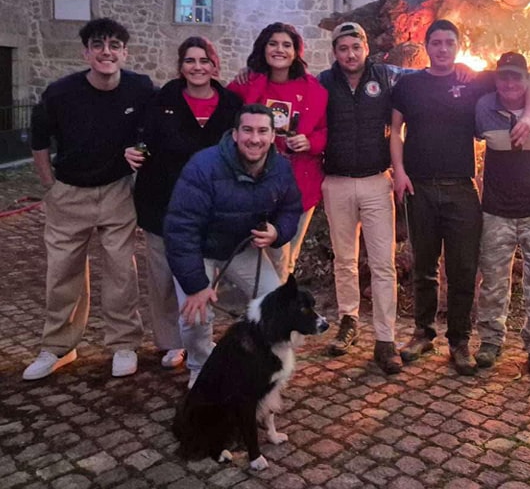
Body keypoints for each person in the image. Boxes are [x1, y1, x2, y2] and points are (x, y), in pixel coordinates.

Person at [391, 19, 530, 376]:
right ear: (426, 46)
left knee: (461, 270)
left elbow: (529, 77)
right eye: (436, 42)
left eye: (449, 43)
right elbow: (395, 130)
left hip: (461, 189)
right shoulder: (409, 85)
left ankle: (459, 341)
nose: (443, 49)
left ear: (458, 46)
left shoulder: (472, 79)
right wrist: (398, 171)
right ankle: (423, 333)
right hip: (419, 187)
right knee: (424, 268)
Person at [23, 18, 154, 381]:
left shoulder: (140, 88)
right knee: (62, 272)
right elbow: (38, 140)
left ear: (125, 52)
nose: (106, 52)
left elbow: (156, 127)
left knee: (120, 270)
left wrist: (141, 151)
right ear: (86, 52)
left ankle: (124, 343)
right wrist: (50, 184)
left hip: (116, 190)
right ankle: (59, 347)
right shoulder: (61, 93)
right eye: (98, 45)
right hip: (69, 193)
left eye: (114, 45)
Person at [164, 104, 303, 388]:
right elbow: (181, 229)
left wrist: (277, 232)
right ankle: (201, 365)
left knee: (275, 302)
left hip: (241, 249)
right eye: (248, 130)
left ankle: (263, 360)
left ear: (273, 134)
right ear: (236, 134)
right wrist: (196, 285)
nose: (255, 138)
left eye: (263, 131)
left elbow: (291, 209)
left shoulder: (281, 168)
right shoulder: (203, 166)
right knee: (195, 316)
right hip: (200, 250)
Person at [124, 37, 241, 371]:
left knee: (202, 279)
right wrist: (132, 150)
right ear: (181, 66)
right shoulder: (162, 101)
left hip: (212, 208)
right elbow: (140, 137)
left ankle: (200, 339)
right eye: (190, 61)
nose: (198, 67)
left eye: (204, 60)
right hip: (163, 202)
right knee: (163, 277)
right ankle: (171, 341)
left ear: (215, 65)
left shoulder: (231, 104)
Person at [318, 22, 403, 374]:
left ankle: (386, 340)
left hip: (375, 182)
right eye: (343, 48)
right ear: (335, 52)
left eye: (356, 47)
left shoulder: (386, 76)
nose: (350, 54)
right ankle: (348, 320)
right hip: (336, 182)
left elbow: (427, 76)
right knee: (344, 259)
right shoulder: (322, 82)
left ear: (366, 48)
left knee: (383, 264)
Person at [474, 52, 530, 377]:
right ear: (496, 79)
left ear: (527, 79)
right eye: (504, 77)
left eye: (517, 77)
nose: (510, 83)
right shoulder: (483, 107)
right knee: (493, 281)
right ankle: (490, 341)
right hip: (496, 211)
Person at [227, 23, 327, 280]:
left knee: (286, 258)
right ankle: (270, 310)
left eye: (286, 45)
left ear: (296, 51)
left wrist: (310, 142)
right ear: (263, 48)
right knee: (263, 257)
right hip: (255, 184)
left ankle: (273, 312)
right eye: (273, 44)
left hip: (299, 185)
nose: (279, 50)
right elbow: (225, 118)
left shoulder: (313, 90)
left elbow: (327, 131)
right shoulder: (247, 83)